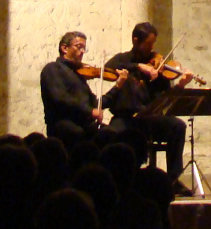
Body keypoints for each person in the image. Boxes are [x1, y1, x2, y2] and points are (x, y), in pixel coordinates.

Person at [102, 23, 195, 189]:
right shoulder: (122, 60)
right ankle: (119, 181)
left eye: (153, 44)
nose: (152, 48)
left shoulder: (158, 67)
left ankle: (173, 180)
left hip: (149, 119)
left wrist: (180, 85)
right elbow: (107, 69)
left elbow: (166, 98)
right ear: (136, 40)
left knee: (177, 126)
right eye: (149, 44)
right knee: (110, 135)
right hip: (125, 119)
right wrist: (138, 66)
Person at [40, 31, 103, 147]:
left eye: (84, 48)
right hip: (63, 124)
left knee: (109, 134)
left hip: (84, 124)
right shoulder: (53, 68)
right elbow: (61, 98)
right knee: (79, 135)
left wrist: (118, 86)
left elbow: (94, 102)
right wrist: (90, 111)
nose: (83, 51)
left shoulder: (78, 74)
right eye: (79, 47)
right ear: (64, 48)